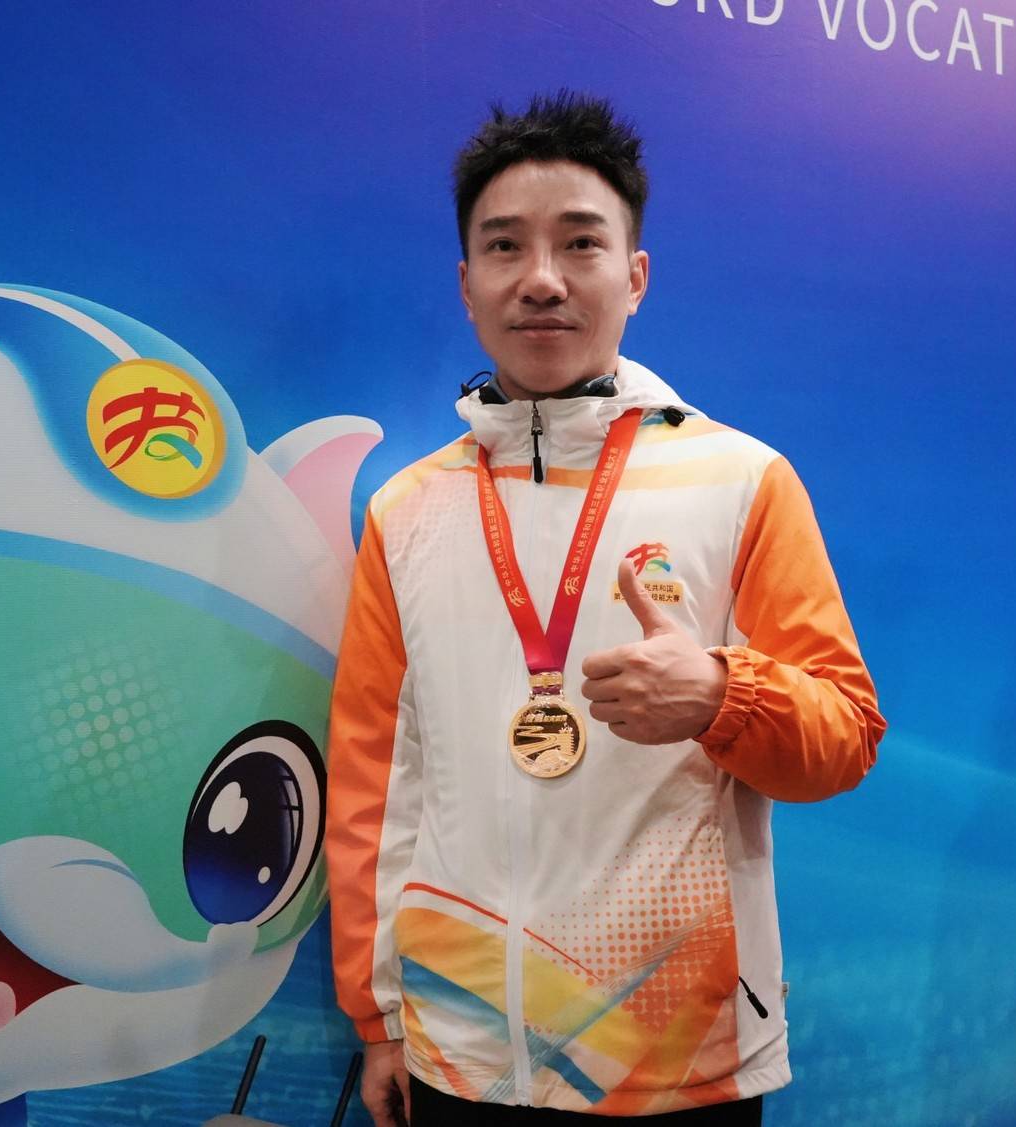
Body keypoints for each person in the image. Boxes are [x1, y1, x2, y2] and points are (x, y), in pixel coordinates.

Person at [325, 92, 886, 1125]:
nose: (541, 278)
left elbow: (844, 737)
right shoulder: (405, 510)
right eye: (504, 245)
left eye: (580, 243)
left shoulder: (742, 479)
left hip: (676, 1056)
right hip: (460, 1050)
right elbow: (373, 780)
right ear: (465, 283)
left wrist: (720, 694)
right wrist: (379, 1014)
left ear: (634, 276)